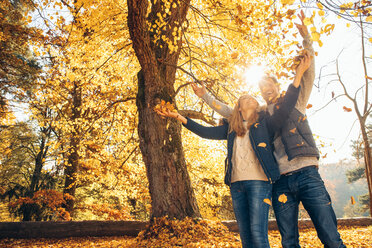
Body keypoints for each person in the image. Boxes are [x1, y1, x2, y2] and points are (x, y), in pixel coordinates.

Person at [191, 10, 346, 248]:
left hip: (306, 173)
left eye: (269, 85)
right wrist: (206, 97)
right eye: (261, 88)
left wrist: (307, 40)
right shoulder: (260, 114)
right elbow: (230, 111)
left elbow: (307, 73)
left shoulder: (296, 100)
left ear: (276, 85)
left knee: (329, 234)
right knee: (288, 240)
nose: (266, 90)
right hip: (280, 180)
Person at [156, 55, 310, 248]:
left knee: (258, 234)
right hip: (236, 184)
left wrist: (298, 77)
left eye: (252, 97)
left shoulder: (265, 124)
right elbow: (204, 132)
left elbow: (287, 106)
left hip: (259, 183)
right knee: (245, 236)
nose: (249, 98)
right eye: (244, 98)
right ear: (238, 108)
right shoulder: (232, 129)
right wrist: (178, 116)